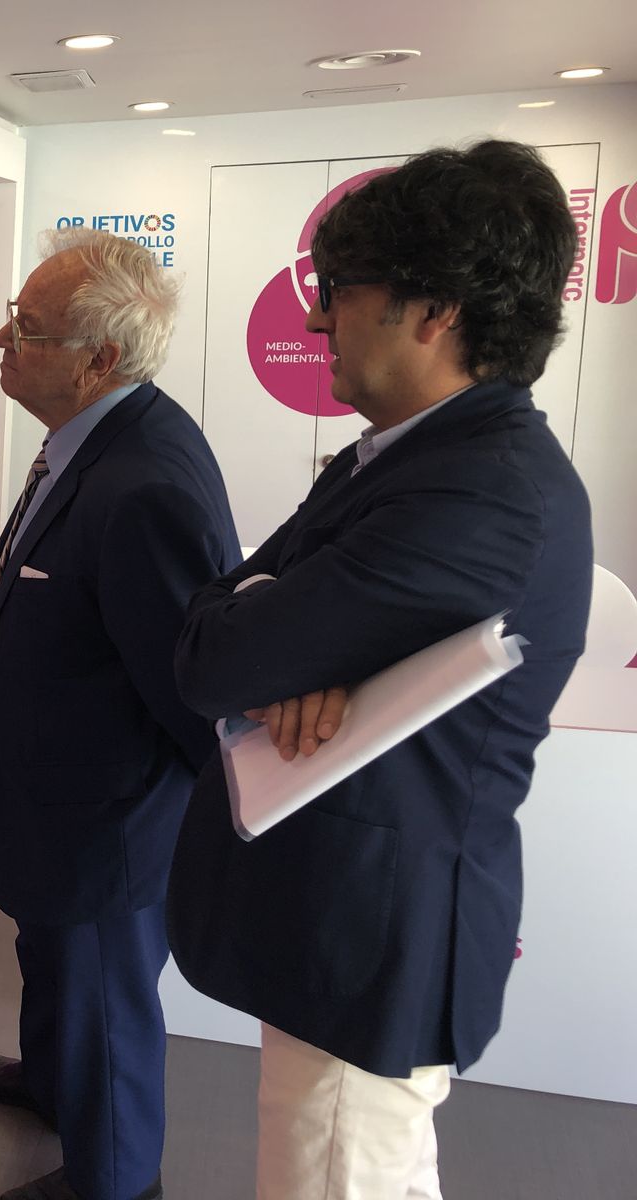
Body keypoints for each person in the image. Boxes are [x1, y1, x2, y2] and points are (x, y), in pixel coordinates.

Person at [168, 140, 593, 1200]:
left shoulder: (481, 493)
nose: (318, 320)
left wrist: (271, 636)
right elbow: (225, 611)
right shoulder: (418, 455)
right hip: (346, 924)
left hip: (369, 945)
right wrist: (276, 633)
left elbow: (214, 656)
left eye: (340, 290)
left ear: (434, 310)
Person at [0, 230, 240, 1200]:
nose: (2, 338)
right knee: (54, 965)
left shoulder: (143, 483)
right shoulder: (102, 438)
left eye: (27, 328)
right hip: (57, 803)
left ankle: (115, 1180)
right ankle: (54, 1082)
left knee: (105, 1004)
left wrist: (160, 832)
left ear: (98, 359)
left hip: (104, 822)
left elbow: (191, 692)